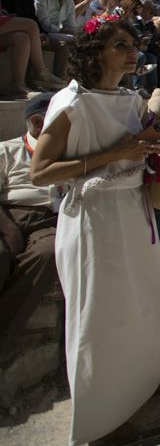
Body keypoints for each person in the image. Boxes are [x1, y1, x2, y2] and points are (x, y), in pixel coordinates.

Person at [29, 15, 160, 444]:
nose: (133, 51)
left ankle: (144, 384)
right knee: (100, 316)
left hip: (131, 211)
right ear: (95, 51)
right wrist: (116, 152)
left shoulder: (128, 97)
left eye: (133, 44)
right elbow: (39, 172)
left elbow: (137, 148)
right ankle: (99, 423)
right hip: (93, 219)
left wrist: (151, 144)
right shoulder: (71, 102)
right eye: (121, 44)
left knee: (146, 300)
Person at [0, 93, 58, 336]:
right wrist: (7, 227)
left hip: (48, 218)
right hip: (7, 214)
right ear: (36, 122)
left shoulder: (69, 152)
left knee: (49, 253)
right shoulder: (7, 150)